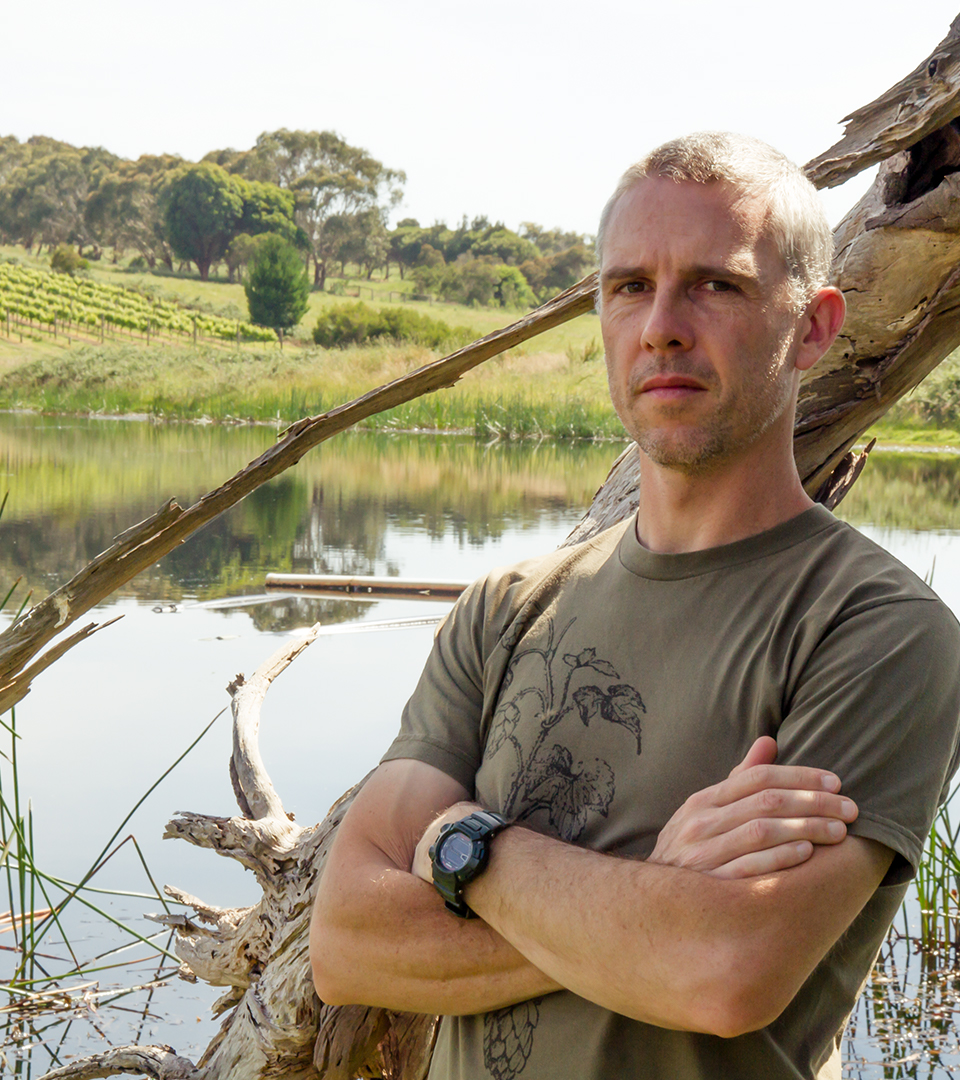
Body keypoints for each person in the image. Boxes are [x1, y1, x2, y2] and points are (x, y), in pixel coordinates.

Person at [309, 133, 960, 1080]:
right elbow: (348, 940)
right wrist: (654, 898)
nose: (661, 325)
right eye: (627, 287)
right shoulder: (503, 609)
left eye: (716, 285)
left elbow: (721, 970)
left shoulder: (874, 631)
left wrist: (460, 849)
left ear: (813, 328)